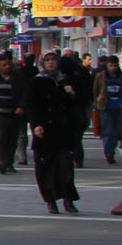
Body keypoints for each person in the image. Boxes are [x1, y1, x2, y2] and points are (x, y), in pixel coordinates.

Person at [27, 50, 81, 214]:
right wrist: (36, 125)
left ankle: (68, 199)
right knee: (45, 168)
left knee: (66, 167)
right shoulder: (36, 81)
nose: (50, 62)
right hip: (44, 131)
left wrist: (72, 95)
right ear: (42, 63)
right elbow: (32, 105)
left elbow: (75, 105)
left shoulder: (65, 80)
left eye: (53, 59)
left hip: (63, 131)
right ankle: (50, 200)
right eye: (47, 60)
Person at [61, 52, 93, 169]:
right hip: (80, 108)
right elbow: (89, 91)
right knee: (77, 136)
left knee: (70, 136)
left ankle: (71, 157)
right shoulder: (83, 72)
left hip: (70, 109)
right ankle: (78, 158)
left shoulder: (63, 76)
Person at [96, 54, 122, 166]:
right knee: (108, 131)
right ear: (107, 65)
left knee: (117, 131)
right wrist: (97, 104)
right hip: (106, 107)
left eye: (115, 65)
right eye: (111, 65)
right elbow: (96, 91)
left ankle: (111, 151)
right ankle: (109, 153)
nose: (113, 68)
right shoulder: (101, 76)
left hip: (120, 107)